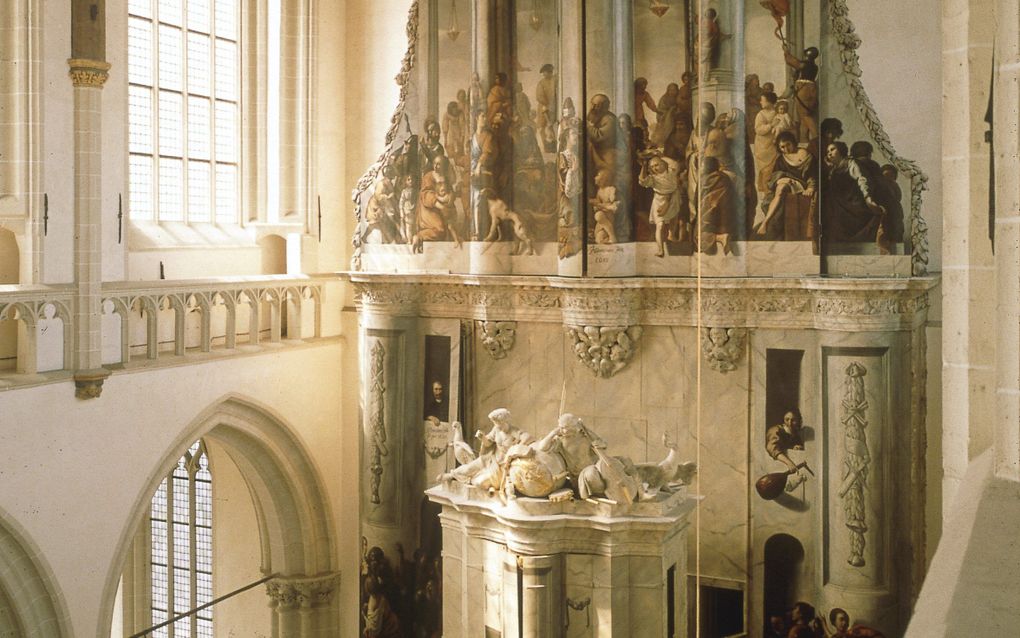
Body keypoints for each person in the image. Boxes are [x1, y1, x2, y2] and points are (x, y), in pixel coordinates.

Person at [755, 131, 817, 240]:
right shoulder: (781, 159)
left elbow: (813, 174)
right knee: (780, 188)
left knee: (781, 188)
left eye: (788, 144)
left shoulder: (806, 155)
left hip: (801, 184)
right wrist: (783, 179)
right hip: (787, 183)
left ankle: (765, 223)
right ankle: (766, 223)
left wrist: (811, 187)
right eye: (782, 147)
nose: (786, 149)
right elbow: (775, 176)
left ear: (793, 142)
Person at [640, 154, 681, 257]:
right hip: (659, 201)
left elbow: (675, 164)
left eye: (657, 165)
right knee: (660, 225)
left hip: (673, 199)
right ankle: (660, 249)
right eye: (652, 167)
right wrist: (644, 166)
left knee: (674, 217)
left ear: (663, 163)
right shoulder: (653, 179)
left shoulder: (671, 172)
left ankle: (671, 235)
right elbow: (642, 181)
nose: (655, 168)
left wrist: (660, 155)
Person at [783, 46, 820, 143]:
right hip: (812, 91)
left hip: (804, 91)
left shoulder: (804, 64)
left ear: (807, 55)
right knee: (803, 120)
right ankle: (804, 142)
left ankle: (817, 140)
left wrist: (786, 51)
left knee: (805, 116)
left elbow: (790, 61)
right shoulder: (815, 67)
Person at [766, 409, 808, 490]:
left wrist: (794, 448)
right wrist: (789, 463)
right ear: (783, 420)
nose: (790, 423)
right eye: (787, 419)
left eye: (793, 420)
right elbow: (772, 448)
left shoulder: (795, 434)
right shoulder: (775, 430)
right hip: (775, 467)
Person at [754, 92, 781, 193]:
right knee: (765, 166)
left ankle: (767, 186)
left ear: (769, 102)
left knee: (772, 165)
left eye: (763, 100)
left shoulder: (776, 113)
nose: (760, 102)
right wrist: (771, 125)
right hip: (762, 145)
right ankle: (765, 188)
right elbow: (758, 130)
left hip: (773, 143)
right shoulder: (760, 114)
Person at [591, 168, 619, 244]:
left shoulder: (611, 189)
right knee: (599, 239)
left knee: (598, 215)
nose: (595, 177)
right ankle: (608, 238)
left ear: (605, 178)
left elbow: (614, 204)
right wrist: (596, 205)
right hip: (602, 220)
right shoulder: (599, 191)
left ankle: (612, 236)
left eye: (598, 175)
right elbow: (597, 204)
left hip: (608, 216)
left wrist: (600, 205)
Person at [535, 64, 557, 151]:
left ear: (550, 72)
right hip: (543, 108)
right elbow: (539, 96)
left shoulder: (555, 80)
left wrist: (551, 105)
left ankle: (553, 146)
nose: (544, 74)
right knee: (541, 128)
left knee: (551, 127)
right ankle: (546, 147)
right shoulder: (541, 83)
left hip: (553, 107)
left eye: (545, 72)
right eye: (543, 73)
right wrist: (546, 104)